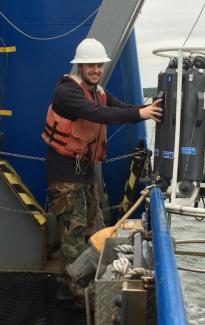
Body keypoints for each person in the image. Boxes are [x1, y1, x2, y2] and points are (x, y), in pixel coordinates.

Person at [41, 38, 162, 299]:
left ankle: (69, 284)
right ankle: (78, 294)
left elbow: (120, 108)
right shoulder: (67, 92)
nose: (96, 69)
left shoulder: (99, 91)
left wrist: (148, 109)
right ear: (80, 67)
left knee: (88, 229)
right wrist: (139, 116)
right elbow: (97, 114)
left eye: (99, 65)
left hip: (83, 171)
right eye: (91, 65)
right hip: (64, 175)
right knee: (73, 233)